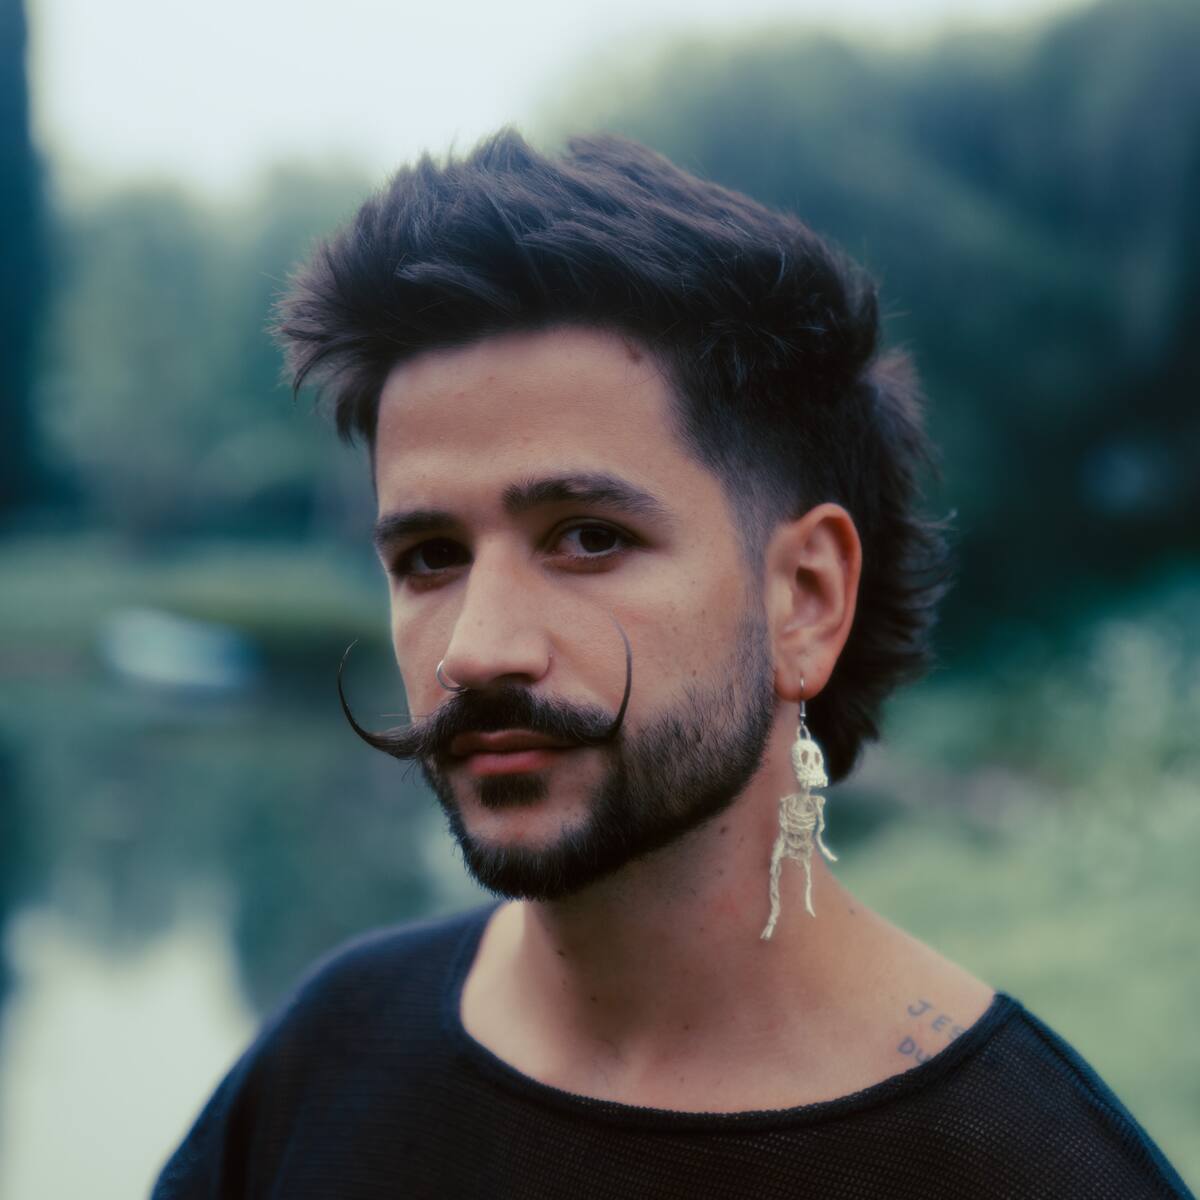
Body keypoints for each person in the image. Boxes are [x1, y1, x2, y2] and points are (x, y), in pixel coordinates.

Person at [152, 129, 1193, 1199]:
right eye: (429, 557)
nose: (476, 649)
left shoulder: (1030, 1170)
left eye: (587, 537)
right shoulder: (323, 1063)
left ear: (805, 599)